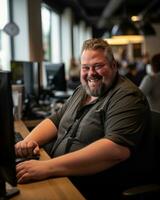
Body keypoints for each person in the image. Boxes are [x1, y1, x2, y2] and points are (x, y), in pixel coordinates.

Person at [15, 38, 150, 200]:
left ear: (114, 66)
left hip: (91, 187)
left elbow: (115, 150)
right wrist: (27, 142)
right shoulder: (83, 90)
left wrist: (47, 167)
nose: (91, 73)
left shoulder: (127, 96)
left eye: (98, 66)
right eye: (85, 67)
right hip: (61, 174)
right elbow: (56, 120)